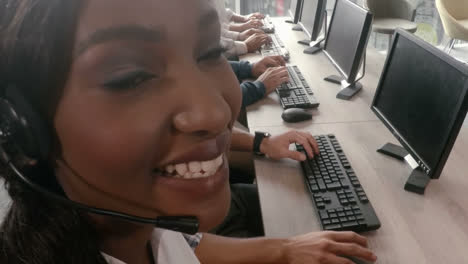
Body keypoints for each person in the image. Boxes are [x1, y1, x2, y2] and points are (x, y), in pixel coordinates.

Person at [0, 1, 377, 264]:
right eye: (131, 77)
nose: (215, 112)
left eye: (209, 51)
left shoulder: (143, 224)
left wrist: (285, 249)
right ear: (22, 128)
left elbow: (181, 246)